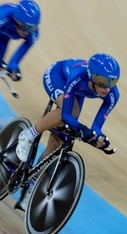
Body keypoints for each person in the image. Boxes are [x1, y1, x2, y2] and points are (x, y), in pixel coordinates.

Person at [14, 53, 120, 209]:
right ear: (92, 76)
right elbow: (66, 115)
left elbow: (97, 127)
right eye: (103, 81)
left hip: (78, 91)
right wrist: (82, 128)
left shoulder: (112, 95)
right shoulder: (78, 76)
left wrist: (98, 137)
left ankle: (31, 186)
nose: (107, 87)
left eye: (113, 81)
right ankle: (28, 135)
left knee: (56, 143)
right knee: (72, 112)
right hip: (58, 75)